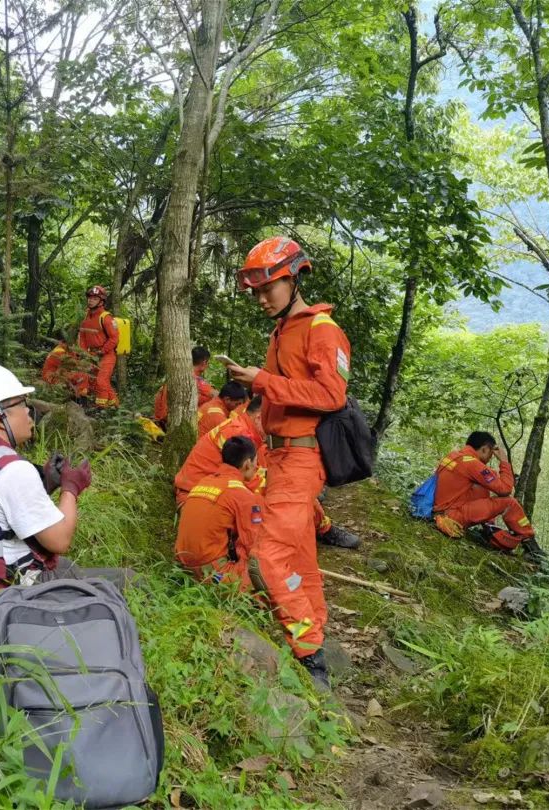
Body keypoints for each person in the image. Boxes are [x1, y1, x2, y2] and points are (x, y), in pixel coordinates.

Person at [225, 235, 350, 689]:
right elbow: (285, 389)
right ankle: (316, 631)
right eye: (256, 291)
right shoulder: (283, 330)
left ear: (294, 278)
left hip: (302, 458)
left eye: (268, 289)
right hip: (278, 455)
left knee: (267, 550)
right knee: (299, 554)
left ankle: (308, 651)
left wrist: (264, 380)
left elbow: (331, 396)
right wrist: (257, 384)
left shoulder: (322, 330)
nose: (261, 299)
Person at [0, 360, 134, 604]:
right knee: (132, 581)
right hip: (9, 594)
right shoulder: (11, 469)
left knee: (73, 568)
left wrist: (46, 484)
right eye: (21, 404)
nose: (28, 411)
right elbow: (59, 540)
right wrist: (71, 488)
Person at [434, 431, 546, 562]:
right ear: (484, 449)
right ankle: (531, 546)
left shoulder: (454, 456)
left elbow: (484, 478)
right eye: (491, 454)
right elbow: (505, 489)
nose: (490, 458)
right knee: (509, 502)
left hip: (441, 511)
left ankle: (488, 529)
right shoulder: (472, 463)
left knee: (481, 487)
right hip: (453, 516)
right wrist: (504, 461)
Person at [175, 436, 264, 587]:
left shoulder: (204, 482)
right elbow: (253, 545)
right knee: (268, 571)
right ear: (247, 463)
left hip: (180, 567)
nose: (257, 467)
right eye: (256, 462)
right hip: (211, 572)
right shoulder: (242, 495)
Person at [175, 397, 266, 506]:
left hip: (202, 491)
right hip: (195, 495)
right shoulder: (239, 433)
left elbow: (254, 471)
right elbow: (249, 478)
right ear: (258, 418)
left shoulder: (241, 427)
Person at [78, 285, 120, 408]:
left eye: (95, 299)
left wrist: (102, 351)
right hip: (91, 354)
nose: (90, 300)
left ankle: (101, 408)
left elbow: (114, 338)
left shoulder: (106, 318)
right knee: (96, 382)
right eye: (90, 298)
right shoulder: (86, 317)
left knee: (101, 381)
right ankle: (115, 406)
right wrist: (83, 353)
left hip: (106, 355)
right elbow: (83, 337)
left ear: (101, 301)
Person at [153, 346, 216, 427]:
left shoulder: (176, 375)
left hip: (161, 419)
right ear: (204, 363)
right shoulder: (195, 380)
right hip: (174, 423)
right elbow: (218, 396)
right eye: (208, 363)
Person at [41, 329, 91, 399]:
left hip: (57, 374)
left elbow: (74, 360)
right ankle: (80, 398)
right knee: (83, 376)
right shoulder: (59, 352)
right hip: (52, 378)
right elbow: (73, 364)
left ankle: (79, 394)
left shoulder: (65, 349)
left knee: (83, 375)